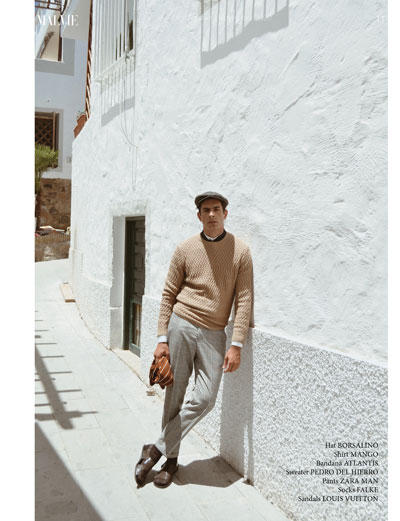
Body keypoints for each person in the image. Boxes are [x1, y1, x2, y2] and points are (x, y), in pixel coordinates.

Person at [135, 191, 254, 488]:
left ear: (225, 214)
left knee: (205, 398)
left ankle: (155, 450)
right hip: (182, 324)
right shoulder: (185, 249)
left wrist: (236, 343)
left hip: (214, 333)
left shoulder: (240, 252)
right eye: (206, 210)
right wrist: (162, 338)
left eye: (217, 209)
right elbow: (168, 295)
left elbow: (244, 299)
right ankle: (170, 462)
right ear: (199, 216)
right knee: (174, 395)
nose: (212, 214)